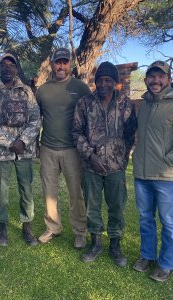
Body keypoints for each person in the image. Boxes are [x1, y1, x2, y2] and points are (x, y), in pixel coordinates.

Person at [73, 61, 137, 267]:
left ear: (115, 83)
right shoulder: (84, 103)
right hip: (91, 166)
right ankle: (96, 243)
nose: (102, 84)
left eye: (107, 80)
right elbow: (76, 132)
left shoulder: (126, 104)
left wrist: (121, 158)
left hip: (116, 168)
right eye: (99, 80)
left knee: (116, 206)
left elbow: (130, 134)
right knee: (92, 207)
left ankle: (115, 245)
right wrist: (90, 155)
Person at [0, 53, 41, 247]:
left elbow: (35, 118)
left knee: (26, 188)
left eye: (11, 65)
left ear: (16, 69)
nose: (8, 68)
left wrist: (22, 141)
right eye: (4, 65)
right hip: (1, 151)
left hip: (24, 150)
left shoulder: (26, 92)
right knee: (2, 190)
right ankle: (2, 227)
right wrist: (9, 142)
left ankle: (27, 226)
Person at [36, 48, 91, 249]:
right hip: (48, 148)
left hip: (73, 150)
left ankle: (80, 231)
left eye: (64, 62)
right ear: (51, 64)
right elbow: (36, 119)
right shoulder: (42, 90)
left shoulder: (81, 87)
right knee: (49, 191)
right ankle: (53, 227)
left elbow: (90, 115)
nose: (61, 66)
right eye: (57, 62)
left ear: (70, 64)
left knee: (76, 192)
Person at [132, 60, 173, 282]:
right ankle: (147, 256)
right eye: (152, 76)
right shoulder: (144, 104)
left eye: (161, 76)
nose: (156, 81)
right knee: (145, 218)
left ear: (169, 79)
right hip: (142, 174)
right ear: (146, 79)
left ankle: (166, 264)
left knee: (169, 222)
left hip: (166, 176)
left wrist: (169, 162)